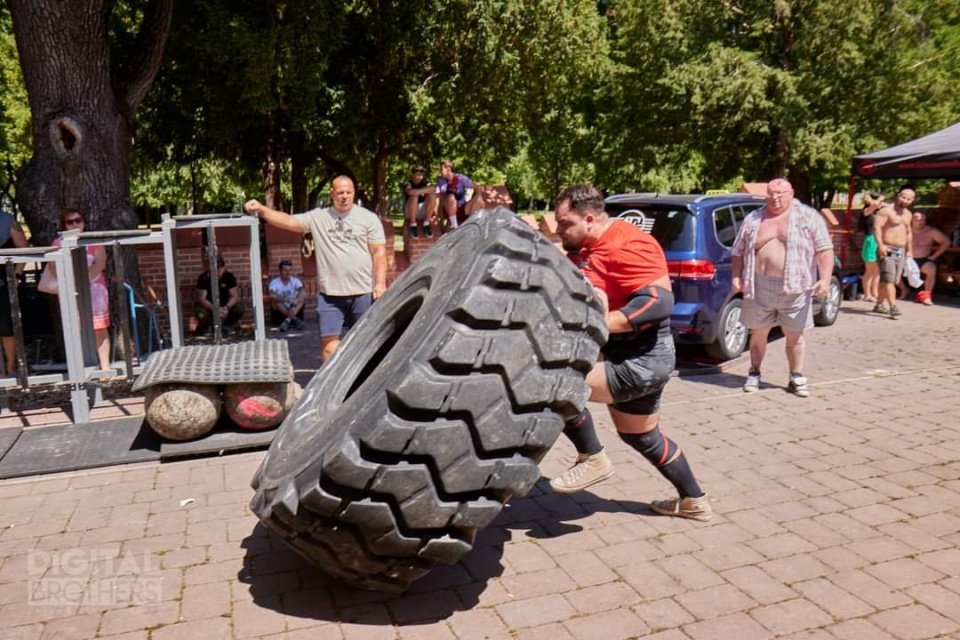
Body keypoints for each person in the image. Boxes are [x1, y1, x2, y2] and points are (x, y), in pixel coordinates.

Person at [549, 184, 711, 522]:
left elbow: (658, 302)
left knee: (551, 383)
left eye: (564, 223)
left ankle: (591, 457)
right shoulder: (586, 245)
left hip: (641, 359)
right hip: (633, 355)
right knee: (642, 437)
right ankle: (694, 501)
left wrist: (601, 323)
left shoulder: (628, 243)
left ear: (589, 219)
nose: (558, 229)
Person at [244, 175, 387, 362]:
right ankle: (333, 386)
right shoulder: (319, 217)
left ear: (353, 193)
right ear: (332, 193)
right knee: (329, 346)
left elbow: (379, 252)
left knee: (367, 343)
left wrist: (380, 283)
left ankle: (365, 385)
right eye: (340, 192)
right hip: (330, 295)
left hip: (362, 293)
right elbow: (288, 221)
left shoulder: (368, 218)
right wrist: (262, 209)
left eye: (348, 192)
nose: (344, 196)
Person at [731, 178, 834, 397]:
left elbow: (825, 249)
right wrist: (735, 277)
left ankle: (796, 376)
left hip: (795, 286)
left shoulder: (808, 216)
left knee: (794, 334)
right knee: (758, 332)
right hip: (758, 284)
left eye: (781, 193)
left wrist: (825, 280)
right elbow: (738, 251)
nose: (775, 198)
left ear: (791, 193)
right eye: (771, 193)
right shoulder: (754, 218)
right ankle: (754, 372)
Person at [43, 209, 112, 370]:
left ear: (84, 222)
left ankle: (105, 367)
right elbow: (53, 267)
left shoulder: (93, 241)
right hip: (70, 292)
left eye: (77, 220)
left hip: (95, 291)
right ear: (64, 225)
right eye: (69, 221)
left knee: (99, 328)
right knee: (74, 329)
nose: (74, 224)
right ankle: (80, 368)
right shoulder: (57, 243)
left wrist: (81, 280)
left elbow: (100, 263)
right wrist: (73, 283)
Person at [873, 185, 916, 318]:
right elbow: (877, 228)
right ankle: (893, 306)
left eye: (909, 199)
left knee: (892, 280)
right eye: (903, 197)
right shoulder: (886, 211)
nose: (905, 200)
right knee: (889, 279)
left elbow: (909, 232)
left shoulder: (908, 214)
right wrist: (880, 245)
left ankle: (879, 305)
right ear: (898, 195)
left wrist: (909, 250)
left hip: (900, 250)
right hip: (887, 249)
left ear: (912, 201)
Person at [0, 210, 27, 376]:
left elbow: (23, 248)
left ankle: (10, 368)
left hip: (4, 282)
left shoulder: (6, 220)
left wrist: (17, 275)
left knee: (6, 328)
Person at [194, 255, 245, 335]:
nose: (219, 269)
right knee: (199, 312)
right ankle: (208, 326)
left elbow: (234, 296)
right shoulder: (203, 278)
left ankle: (228, 325)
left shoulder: (229, 276)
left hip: (225, 304)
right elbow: (201, 299)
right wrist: (214, 308)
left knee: (240, 308)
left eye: (221, 266)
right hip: (209, 305)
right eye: (217, 266)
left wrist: (227, 307)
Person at [909, 210, 950, 305]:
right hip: (909, 259)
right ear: (912, 220)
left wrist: (934, 256)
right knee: (892, 267)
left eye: (923, 220)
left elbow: (946, 242)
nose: (921, 222)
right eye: (918, 220)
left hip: (924, 259)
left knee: (931, 268)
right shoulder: (907, 230)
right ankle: (904, 290)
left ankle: (927, 296)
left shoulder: (931, 231)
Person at [435, 160, 484, 231]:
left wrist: (478, 198)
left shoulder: (460, 178)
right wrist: (440, 217)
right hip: (448, 208)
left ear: (448, 169)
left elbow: (477, 187)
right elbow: (439, 198)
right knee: (450, 197)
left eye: (441, 169)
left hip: (462, 207)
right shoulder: (441, 181)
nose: (440, 171)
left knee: (478, 199)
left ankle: (471, 224)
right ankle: (454, 226)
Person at [859, 191, 884, 303]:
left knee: (877, 271)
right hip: (870, 241)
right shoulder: (867, 211)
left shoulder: (880, 212)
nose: (882, 203)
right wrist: (872, 201)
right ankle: (867, 294)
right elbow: (873, 205)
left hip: (879, 240)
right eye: (881, 201)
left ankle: (875, 293)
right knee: (869, 270)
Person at [268, 259, 306, 331]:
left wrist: (296, 300)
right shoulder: (275, 282)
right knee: (276, 301)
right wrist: (287, 299)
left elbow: (303, 292)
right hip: (281, 309)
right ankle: (294, 318)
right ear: (280, 271)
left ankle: (288, 320)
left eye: (290, 270)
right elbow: (271, 295)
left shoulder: (295, 281)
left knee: (302, 298)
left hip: (293, 308)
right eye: (285, 270)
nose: (288, 273)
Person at [404, 164, 437, 239]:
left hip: (422, 210)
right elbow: (410, 191)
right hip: (410, 211)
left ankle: (426, 223)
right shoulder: (408, 183)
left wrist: (417, 191)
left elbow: (434, 188)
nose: (420, 177)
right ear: (413, 174)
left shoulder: (425, 182)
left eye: (421, 175)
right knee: (414, 196)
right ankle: (413, 224)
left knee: (432, 195)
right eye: (417, 175)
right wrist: (423, 191)